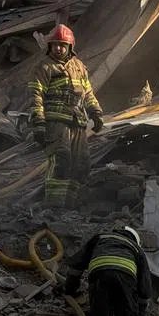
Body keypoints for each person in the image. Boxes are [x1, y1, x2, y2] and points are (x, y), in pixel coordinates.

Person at [27, 24, 104, 208]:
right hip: (56, 123)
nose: (58, 48)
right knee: (61, 159)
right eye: (55, 45)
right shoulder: (44, 67)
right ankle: (53, 205)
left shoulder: (79, 67)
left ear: (70, 46)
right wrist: (39, 123)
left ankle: (73, 205)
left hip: (77, 122)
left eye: (62, 45)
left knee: (81, 163)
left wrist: (96, 112)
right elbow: (35, 96)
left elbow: (88, 93)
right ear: (50, 46)